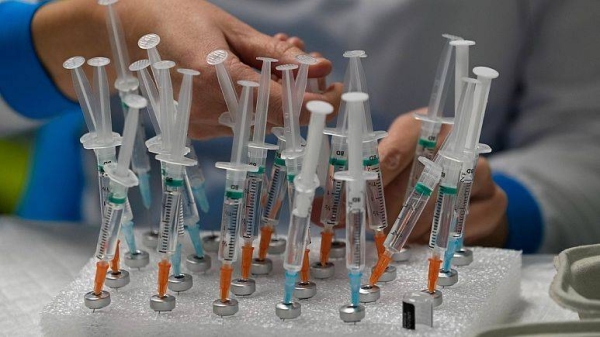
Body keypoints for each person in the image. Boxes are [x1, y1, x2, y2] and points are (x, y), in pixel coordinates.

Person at [1, 0, 598, 254]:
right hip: (120, 239)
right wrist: (84, 28)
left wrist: (490, 204)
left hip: (403, 268)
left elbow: (583, 142)